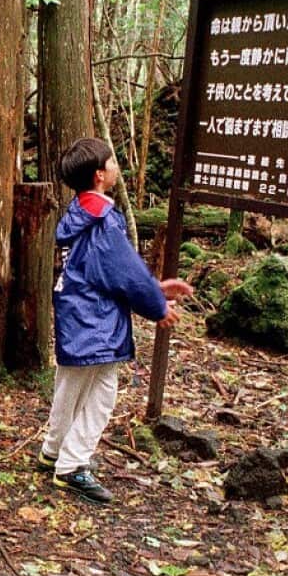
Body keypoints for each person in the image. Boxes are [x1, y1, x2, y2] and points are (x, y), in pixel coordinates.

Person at [39, 137, 194, 505]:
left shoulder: (79, 213)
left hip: (76, 313)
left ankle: (54, 450)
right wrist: (157, 304)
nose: (115, 165)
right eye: (111, 162)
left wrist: (155, 288)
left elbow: (103, 269)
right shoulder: (104, 220)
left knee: (70, 385)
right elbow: (123, 271)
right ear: (99, 175)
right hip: (95, 320)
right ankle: (72, 466)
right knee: (102, 393)